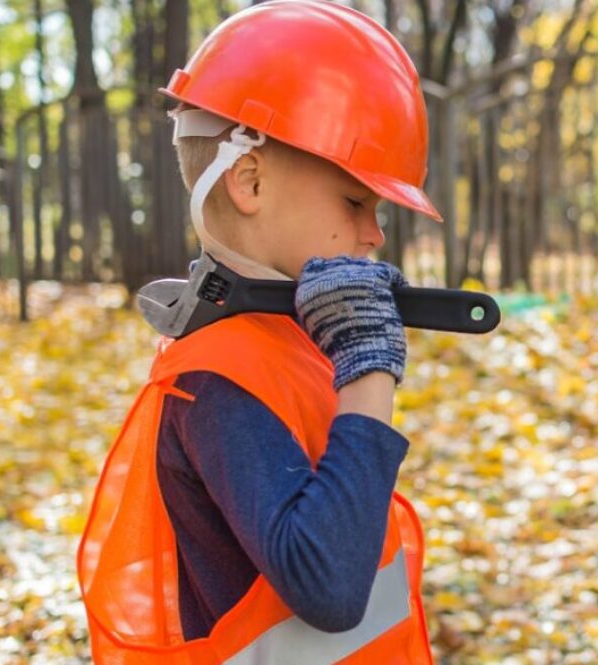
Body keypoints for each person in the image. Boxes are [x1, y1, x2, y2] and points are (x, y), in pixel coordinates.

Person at [76, 1, 440, 662]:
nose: (375, 233)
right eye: (356, 201)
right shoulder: (217, 378)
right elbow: (328, 585)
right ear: (248, 179)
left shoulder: (280, 338)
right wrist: (369, 369)